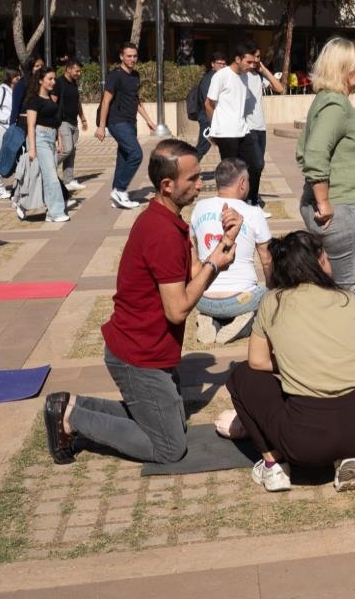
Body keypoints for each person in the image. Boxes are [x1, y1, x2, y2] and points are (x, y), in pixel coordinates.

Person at [42, 139, 243, 465]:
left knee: (172, 424)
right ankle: (70, 418)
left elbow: (196, 273)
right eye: (192, 178)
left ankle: (70, 405)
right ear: (167, 185)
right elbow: (177, 310)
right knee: (169, 447)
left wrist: (225, 243)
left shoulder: (172, 221)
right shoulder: (161, 232)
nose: (200, 183)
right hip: (138, 356)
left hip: (151, 350)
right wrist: (215, 264)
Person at [224, 231, 355, 493]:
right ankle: (349, 454)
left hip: (306, 441)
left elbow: (257, 361)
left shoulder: (272, 302)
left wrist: (294, 364)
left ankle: (272, 464)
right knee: (341, 419)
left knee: (241, 376)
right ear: (319, 262)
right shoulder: (349, 299)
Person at [297, 38, 355, 292]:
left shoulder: (329, 101)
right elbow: (314, 155)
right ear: (342, 68)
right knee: (345, 288)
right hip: (343, 211)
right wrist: (323, 202)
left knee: (331, 287)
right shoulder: (334, 105)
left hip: (343, 208)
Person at [190, 158, 271, 344]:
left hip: (202, 297)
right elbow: (267, 259)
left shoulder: (199, 207)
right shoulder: (254, 212)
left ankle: (208, 318)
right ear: (242, 183)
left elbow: (193, 249)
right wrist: (271, 292)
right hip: (241, 299)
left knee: (215, 306)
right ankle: (245, 320)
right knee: (266, 297)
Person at [96, 43, 157, 210]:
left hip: (131, 122)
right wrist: (102, 126)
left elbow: (135, 101)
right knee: (136, 154)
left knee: (123, 157)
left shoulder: (135, 75)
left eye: (134, 56)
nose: (132, 59)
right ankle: (121, 190)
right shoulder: (115, 76)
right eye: (129, 56)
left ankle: (117, 193)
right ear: (121, 57)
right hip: (117, 121)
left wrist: (148, 120)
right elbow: (106, 100)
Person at [205, 41, 264, 208]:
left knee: (256, 165)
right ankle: (231, 205)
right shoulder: (221, 75)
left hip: (243, 130)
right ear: (238, 59)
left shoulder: (245, 77)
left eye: (254, 62)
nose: (252, 65)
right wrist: (215, 128)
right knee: (231, 172)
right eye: (249, 62)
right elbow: (208, 103)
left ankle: (251, 202)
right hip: (225, 133)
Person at [20, 68, 69, 222]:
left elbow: (55, 122)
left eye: (54, 79)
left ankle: (48, 212)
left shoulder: (50, 99)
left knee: (47, 176)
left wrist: (59, 141)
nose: (53, 82)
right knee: (52, 177)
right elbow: (31, 126)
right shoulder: (34, 100)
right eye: (50, 79)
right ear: (41, 80)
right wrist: (32, 149)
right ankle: (57, 212)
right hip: (39, 138)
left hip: (51, 139)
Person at [245, 47, 285, 210]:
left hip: (260, 128)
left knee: (258, 168)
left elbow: (280, 88)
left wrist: (264, 70)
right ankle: (247, 199)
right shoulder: (240, 76)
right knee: (255, 164)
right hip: (246, 128)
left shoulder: (259, 77)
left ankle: (252, 199)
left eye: (258, 57)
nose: (256, 60)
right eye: (253, 57)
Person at [0, 68, 22, 199]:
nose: (18, 78)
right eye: (15, 76)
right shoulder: (1, 90)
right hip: (0, 128)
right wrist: (7, 118)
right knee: (0, 157)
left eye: (19, 75)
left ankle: (10, 184)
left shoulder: (15, 90)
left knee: (10, 156)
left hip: (10, 128)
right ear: (8, 77)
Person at [54, 60, 88, 192]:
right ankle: (46, 168)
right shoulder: (59, 83)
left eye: (79, 71)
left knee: (72, 152)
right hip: (63, 122)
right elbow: (53, 102)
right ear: (68, 69)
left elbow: (77, 102)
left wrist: (83, 118)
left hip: (74, 122)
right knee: (66, 150)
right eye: (77, 71)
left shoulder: (73, 83)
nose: (79, 73)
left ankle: (68, 180)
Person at [191, 51, 226, 161]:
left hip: (213, 117)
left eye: (224, 64)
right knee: (202, 147)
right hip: (208, 118)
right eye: (219, 63)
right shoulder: (209, 79)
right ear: (212, 64)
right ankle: (187, 168)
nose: (222, 66)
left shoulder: (218, 78)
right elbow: (209, 102)